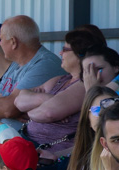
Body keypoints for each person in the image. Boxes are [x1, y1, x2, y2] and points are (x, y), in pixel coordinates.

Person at [16, 29, 93, 159]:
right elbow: (19, 101)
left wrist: (32, 108)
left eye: (65, 49)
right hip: (28, 142)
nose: (60, 52)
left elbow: (46, 113)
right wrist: (50, 99)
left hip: (50, 153)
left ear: (80, 54)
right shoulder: (60, 79)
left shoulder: (84, 84)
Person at [0, 15, 66, 130]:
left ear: (13, 42)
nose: (0, 43)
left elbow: (9, 108)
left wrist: (5, 110)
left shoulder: (45, 64)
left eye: (1, 39)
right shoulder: (15, 64)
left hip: (30, 141)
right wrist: (4, 110)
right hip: (4, 137)